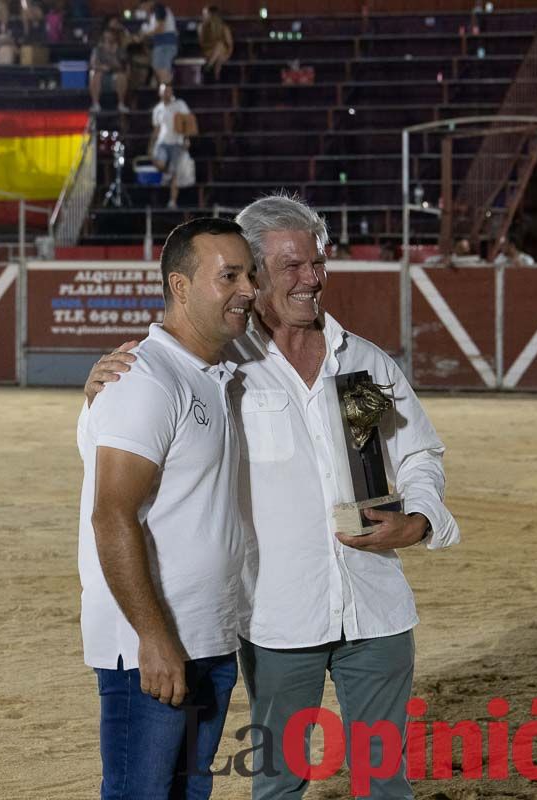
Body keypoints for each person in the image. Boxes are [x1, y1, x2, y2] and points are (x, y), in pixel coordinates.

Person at [85, 194, 460, 799]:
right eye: (292, 267)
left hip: (378, 609)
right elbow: (138, 432)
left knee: (384, 780)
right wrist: (98, 389)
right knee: (279, 783)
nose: (311, 279)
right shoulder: (220, 369)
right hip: (279, 620)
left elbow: (417, 455)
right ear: (255, 276)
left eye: (317, 264)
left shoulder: (361, 364)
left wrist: (418, 519)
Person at [77, 217, 256, 799]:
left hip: (206, 637)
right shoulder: (147, 378)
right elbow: (112, 515)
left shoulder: (210, 373)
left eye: (250, 275)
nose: (248, 290)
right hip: (152, 650)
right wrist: (152, 638)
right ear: (180, 288)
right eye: (229, 276)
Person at [149, 82, 189, 209]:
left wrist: (187, 138)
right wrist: (151, 143)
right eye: (164, 90)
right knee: (158, 162)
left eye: (169, 90)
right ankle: (166, 173)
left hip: (177, 142)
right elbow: (156, 128)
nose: (167, 93)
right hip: (162, 142)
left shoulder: (179, 105)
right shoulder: (157, 109)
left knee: (175, 173)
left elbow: (187, 121)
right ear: (160, 92)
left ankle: (172, 201)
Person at [89, 26, 129, 113]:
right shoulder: (98, 49)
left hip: (116, 72)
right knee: (95, 75)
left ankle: (121, 104)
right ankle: (95, 104)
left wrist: (112, 53)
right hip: (101, 71)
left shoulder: (120, 49)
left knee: (121, 76)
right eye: (106, 36)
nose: (108, 38)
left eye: (110, 36)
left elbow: (122, 65)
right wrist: (102, 67)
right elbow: (93, 64)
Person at [137, 1, 177, 86]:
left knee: (163, 71)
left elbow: (160, 28)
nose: (144, 9)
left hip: (165, 44)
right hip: (160, 45)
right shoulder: (152, 15)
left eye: (144, 6)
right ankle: (165, 94)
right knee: (159, 70)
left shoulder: (159, 9)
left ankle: (168, 96)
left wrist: (144, 35)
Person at [198, 6, 232, 82]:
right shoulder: (203, 27)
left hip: (221, 52)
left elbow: (230, 44)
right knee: (220, 47)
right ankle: (217, 77)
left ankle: (209, 68)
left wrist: (227, 55)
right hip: (209, 51)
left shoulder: (224, 27)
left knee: (220, 47)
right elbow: (202, 44)